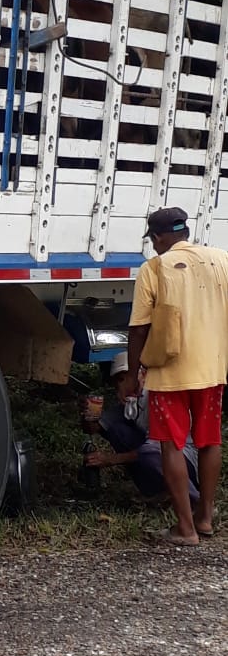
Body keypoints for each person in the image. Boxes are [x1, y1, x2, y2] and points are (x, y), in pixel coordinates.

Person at [120, 207, 228, 545]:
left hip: (170, 373)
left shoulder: (155, 268)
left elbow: (138, 329)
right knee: (210, 439)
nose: (154, 246)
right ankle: (206, 517)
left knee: (171, 444)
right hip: (212, 369)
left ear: (158, 237)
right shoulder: (222, 259)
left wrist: (133, 374)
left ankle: (185, 528)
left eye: (153, 240)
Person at [81, 351, 200, 504]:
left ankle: (194, 499)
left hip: (185, 457)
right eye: (119, 380)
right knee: (119, 431)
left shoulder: (157, 395)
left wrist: (111, 459)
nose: (123, 385)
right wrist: (87, 414)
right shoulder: (130, 402)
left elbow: (154, 448)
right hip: (160, 453)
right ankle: (157, 491)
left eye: (127, 377)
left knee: (149, 455)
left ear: (143, 375)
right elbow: (95, 428)